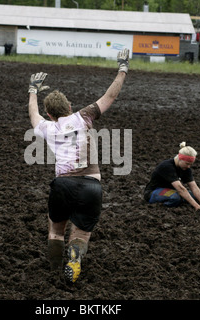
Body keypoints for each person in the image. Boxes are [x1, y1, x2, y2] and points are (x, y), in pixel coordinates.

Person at [27, 48, 130, 283]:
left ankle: (53, 271)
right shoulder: (84, 116)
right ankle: (75, 258)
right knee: (82, 233)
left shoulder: (48, 127)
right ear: (70, 106)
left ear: (49, 114)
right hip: (91, 185)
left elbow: (33, 116)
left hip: (62, 184)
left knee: (55, 230)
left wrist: (32, 90)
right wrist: (123, 69)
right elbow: (110, 96)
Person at [143, 142, 200, 211]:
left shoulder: (186, 168)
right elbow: (180, 188)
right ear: (180, 158)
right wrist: (196, 206)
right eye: (187, 163)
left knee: (194, 195)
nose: (189, 166)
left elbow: (194, 187)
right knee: (175, 198)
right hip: (154, 191)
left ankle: (179, 202)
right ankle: (161, 207)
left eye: (191, 164)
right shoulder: (167, 166)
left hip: (171, 191)